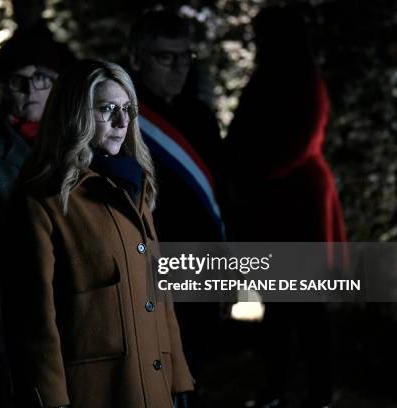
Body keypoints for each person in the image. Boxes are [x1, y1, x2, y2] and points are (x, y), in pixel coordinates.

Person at [2, 59, 194, 408]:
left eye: (127, 109)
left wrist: (178, 377)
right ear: (74, 113)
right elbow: (34, 318)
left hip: (156, 386)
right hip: (95, 391)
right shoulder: (42, 201)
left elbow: (160, 294)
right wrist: (50, 398)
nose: (122, 122)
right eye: (107, 109)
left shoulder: (137, 186)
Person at [225, 7, 346, 408]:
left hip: (297, 205)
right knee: (279, 307)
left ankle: (316, 394)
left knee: (307, 309)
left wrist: (249, 174)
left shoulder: (299, 79)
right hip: (278, 204)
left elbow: (298, 141)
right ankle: (279, 388)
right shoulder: (280, 75)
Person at [0, 34, 66, 404]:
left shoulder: (73, 144)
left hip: (74, 311)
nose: (32, 90)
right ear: (1, 88)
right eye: (19, 81)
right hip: (14, 319)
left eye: (42, 80)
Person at [128, 10, 227, 402]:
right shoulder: (122, 117)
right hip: (149, 265)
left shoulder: (201, 118)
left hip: (199, 265)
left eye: (186, 57)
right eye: (166, 58)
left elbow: (218, 197)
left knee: (195, 371)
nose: (179, 68)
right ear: (136, 59)